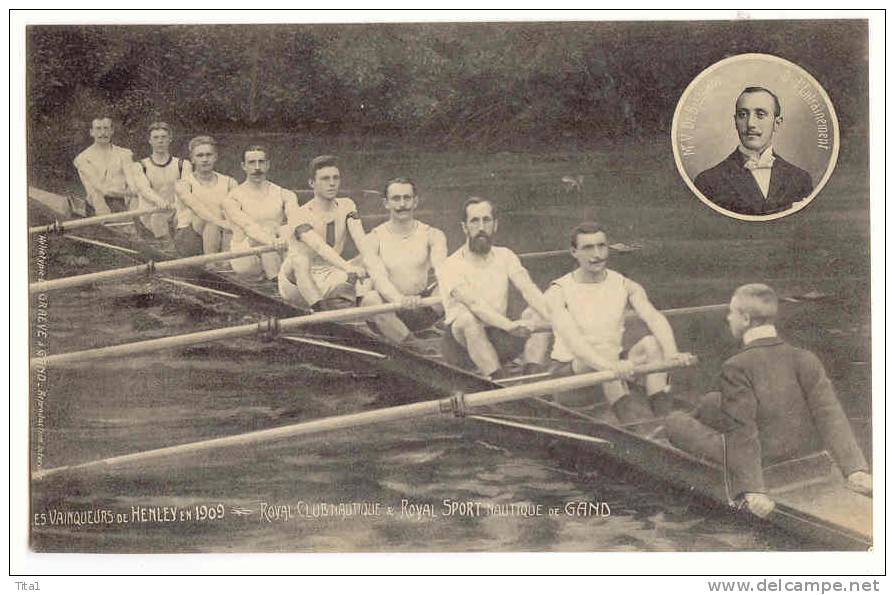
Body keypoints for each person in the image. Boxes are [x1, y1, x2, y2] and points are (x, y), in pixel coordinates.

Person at [665, 284, 872, 518]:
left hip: (764, 457)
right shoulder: (805, 357)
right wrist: (855, 469)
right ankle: (702, 413)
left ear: (744, 318)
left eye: (731, 313)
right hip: (801, 449)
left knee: (674, 422)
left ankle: (693, 419)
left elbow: (743, 429)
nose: (728, 318)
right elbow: (830, 414)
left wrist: (754, 489)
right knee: (712, 401)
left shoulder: (737, 365)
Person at [545, 221, 686, 424]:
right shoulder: (558, 291)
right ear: (574, 252)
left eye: (601, 246)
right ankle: (634, 427)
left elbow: (653, 317)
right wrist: (611, 366)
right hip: (570, 378)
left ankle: (663, 420)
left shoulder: (624, 284)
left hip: (610, 369)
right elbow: (575, 343)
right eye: (588, 248)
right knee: (602, 353)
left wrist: (672, 354)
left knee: (653, 344)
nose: (597, 254)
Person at [435, 197, 551, 379]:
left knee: (537, 311)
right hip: (461, 348)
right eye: (474, 221)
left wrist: (557, 319)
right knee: (467, 319)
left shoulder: (506, 255)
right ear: (464, 227)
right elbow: (475, 305)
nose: (481, 227)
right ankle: (499, 380)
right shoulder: (450, 265)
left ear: (495, 225)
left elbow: (528, 289)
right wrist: (509, 326)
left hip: (499, 335)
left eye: (486, 220)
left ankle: (531, 376)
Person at [694, 87, 814, 216]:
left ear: (777, 123)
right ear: (735, 122)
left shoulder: (800, 179)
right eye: (742, 115)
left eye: (760, 114)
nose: (750, 123)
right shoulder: (708, 181)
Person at [359, 177, 448, 344]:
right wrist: (399, 300)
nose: (402, 204)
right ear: (386, 203)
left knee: (451, 285)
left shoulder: (433, 235)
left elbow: (442, 270)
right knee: (370, 299)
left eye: (407, 198)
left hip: (421, 307)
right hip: (388, 309)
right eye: (396, 199)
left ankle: (458, 332)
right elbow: (379, 279)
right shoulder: (372, 239)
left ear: (415, 202)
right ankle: (413, 346)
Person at [278, 155, 369, 311]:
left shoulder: (347, 205)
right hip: (296, 284)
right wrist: (348, 268)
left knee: (369, 254)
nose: (332, 183)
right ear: (312, 183)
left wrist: (370, 260)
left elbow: (361, 240)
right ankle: (320, 312)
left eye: (336, 178)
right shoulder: (299, 214)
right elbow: (319, 247)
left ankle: (364, 306)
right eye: (325, 179)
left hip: (331, 273)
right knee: (299, 260)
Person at [222, 145, 295, 279]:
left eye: (261, 162)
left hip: (277, 249)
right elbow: (250, 228)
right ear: (243, 166)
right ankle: (278, 281)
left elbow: (295, 220)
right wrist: (274, 241)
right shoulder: (232, 198)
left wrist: (285, 237)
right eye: (251, 162)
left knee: (285, 230)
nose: (257, 167)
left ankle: (281, 278)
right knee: (266, 231)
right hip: (246, 257)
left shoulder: (285, 194)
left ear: (267, 165)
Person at [173, 135, 237, 256]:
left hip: (223, 232)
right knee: (211, 223)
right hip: (190, 236)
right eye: (200, 155)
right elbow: (197, 207)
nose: (205, 159)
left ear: (215, 157)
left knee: (233, 222)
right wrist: (220, 223)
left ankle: (226, 264)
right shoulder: (183, 184)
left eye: (209, 155)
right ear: (192, 159)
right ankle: (213, 263)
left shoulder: (230, 182)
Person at [132, 121, 189, 239]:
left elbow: (185, 189)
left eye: (164, 137)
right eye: (156, 137)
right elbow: (144, 189)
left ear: (170, 139)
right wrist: (160, 202)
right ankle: (166, 246)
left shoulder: (183, 164)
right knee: (157, 217)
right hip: (150, 215)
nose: (160, 141)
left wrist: (176, 206)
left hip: (175, 211)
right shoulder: (140, 166)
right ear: (150, 140)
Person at [72, 117, 140, 215]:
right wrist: (131, 193)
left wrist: (134, 195)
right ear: (92, 132)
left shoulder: (125, 154)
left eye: (106, 128)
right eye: (98, 129)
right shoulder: (83, 158)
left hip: (122, 203)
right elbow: (102, 189)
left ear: (112, 131)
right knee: (97, 196)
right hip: (97, 204)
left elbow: (132, 182)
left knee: (136, 202)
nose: (103, 133)